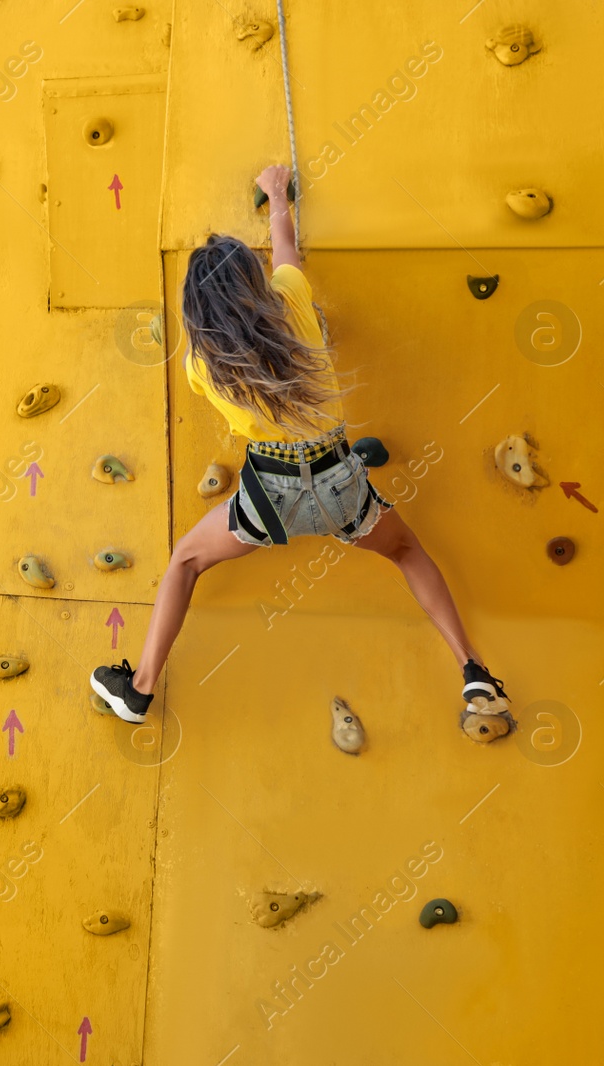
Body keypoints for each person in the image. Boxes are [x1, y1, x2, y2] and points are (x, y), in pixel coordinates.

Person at [90, 164, 507, 731]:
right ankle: (474, 669)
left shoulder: (201, 367)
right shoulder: (290, 300)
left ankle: (138, 689)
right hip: (340, 480)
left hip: (269, 498)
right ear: (253, 285)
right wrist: (277, 193)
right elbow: (286, 246)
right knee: (407, 551)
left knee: (187, 561)